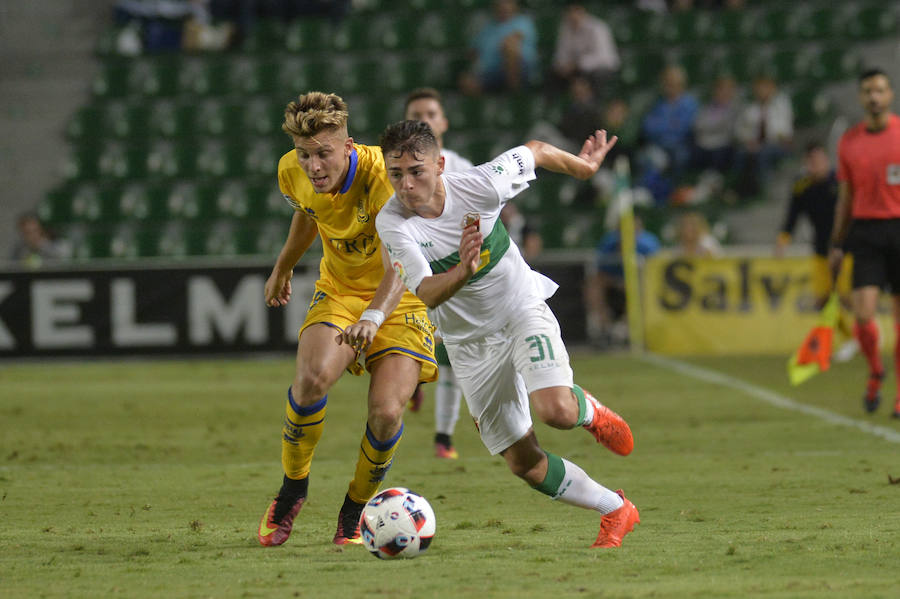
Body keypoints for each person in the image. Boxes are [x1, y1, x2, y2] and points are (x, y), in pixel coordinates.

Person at [376, 120, 639, 548]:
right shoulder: (393, 224)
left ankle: (589, 412)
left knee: (556, 411)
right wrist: (464, 269)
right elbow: (427, 294)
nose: (406, 185)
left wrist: (581, 169)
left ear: (440, 165)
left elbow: (533, 149)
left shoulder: (481, 185)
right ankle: (616, 508)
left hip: (519, 312)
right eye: (396, 174)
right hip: (469, 347)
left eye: (416, 171)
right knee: (523, 463)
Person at [257, 92, 438, 548]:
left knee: (386, 411)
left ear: (349, 146)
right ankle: (292, 488)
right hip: (338, 291)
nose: (313, 166)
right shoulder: (291, 171)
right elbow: (307, 213)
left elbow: (401, 260)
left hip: (402, 298)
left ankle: (355, 509)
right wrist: (283, 267)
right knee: (312, 379)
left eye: (324, 154)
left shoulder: (385, 178)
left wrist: (376, 317)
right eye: (304, 155)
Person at [403, 87, 474, 459]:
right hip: (409, 271)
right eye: (416, 115)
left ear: (443, 122)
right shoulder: (395, 171)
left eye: (431, 113)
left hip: (445, 272)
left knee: (451, 357)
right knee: (413, 348)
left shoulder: (460, 167)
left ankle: (443, 438)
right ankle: (414, 377)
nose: (424, 120)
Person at [829, 69, 900, 418]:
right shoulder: (850, 142)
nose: (874, 96)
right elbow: (845, 196)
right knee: (863, 316)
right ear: (861, 97)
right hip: (867, 232)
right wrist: (836, 243)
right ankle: (876, 370)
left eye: (880, 90)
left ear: (889, 95)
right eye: (868, 91)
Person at [585, 216, 661, 346]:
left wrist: (631, 283)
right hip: (615, 280)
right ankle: (603, 326)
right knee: (593, 284)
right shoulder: (608, 245)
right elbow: (600, 272)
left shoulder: (648, 246)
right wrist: (617, 282)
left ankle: (624, 327)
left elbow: (654, 274)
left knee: (641, 288)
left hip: (640, 283)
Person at [458, 0, 538, 96]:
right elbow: (472, 52)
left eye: (507, 2)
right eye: (499, 3)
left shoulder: (523, 22)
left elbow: (514, 39)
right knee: (466, 81)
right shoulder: (487, 27)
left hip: (519, 70)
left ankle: (514, 94)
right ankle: (488, 106)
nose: (503, 6)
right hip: (491, 72)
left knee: (510, 48)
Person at [733, 73, 794, 197]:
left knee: (764, 153)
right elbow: (739, 129)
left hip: (779, 145)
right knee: (740, 153)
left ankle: (765, 189)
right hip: (754, 144)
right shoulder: (750, 108)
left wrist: (762, 141)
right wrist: (748, 140)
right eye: (759, 88)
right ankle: (741, 189)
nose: (761, 91)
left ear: (772, 88)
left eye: (765, 88)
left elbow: (785, 131)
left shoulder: (781, 105)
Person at [550, 2, 620, 95]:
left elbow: (603, 57)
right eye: (569, 12)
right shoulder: (565, 28)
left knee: (595, 76)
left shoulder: (597, 28)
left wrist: (576, 64)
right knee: (554, 74)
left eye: (574, 12)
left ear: (582, 12)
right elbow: (562, 52)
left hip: (603, 68)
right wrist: (562, 65)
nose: (571, 15)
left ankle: (593, 106)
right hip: (577, 69)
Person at [692, 74, 739, 174]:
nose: (722, 93)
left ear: (732, 92)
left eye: (726, 90)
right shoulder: (707, 107)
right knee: (694, 150)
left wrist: (710, 127)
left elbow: (729, 129)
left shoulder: (735, 108)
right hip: (704, 141)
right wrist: (715, 126)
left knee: (719, 153)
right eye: (720, 89)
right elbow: (698, 126)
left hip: (724, 143)